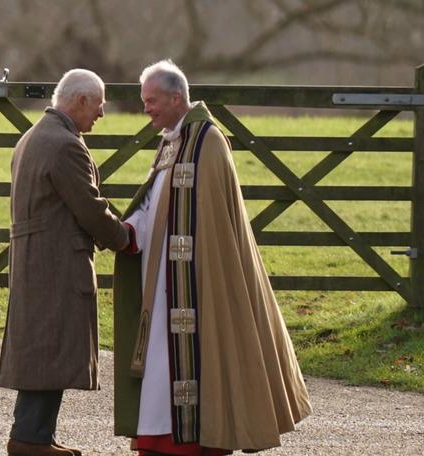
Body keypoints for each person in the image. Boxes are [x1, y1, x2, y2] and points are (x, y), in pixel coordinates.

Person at [113, 60, 312, 455]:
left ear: (176, 97)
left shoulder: (208, 141)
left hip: (197, 282)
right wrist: (129, 230)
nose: (146, 108)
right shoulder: (172, 140)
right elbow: (156, 202)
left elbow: (216, 221)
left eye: (151, 101)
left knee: (200, 359)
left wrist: (199, 272)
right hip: (164, 282)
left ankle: (203, 437)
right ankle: (160, 438)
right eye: (143, 101)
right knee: (160, 365)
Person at [0, 68, 132, 456]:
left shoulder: (33, 137)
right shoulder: (64, 144)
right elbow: (89, 207)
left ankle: (35, 435)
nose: (102, 115)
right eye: (100, 106)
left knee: (42, 347)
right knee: (50, 348)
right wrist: (124, 238)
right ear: (81, 101)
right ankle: (30, 440)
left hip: (35, 259)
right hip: (56, 260)